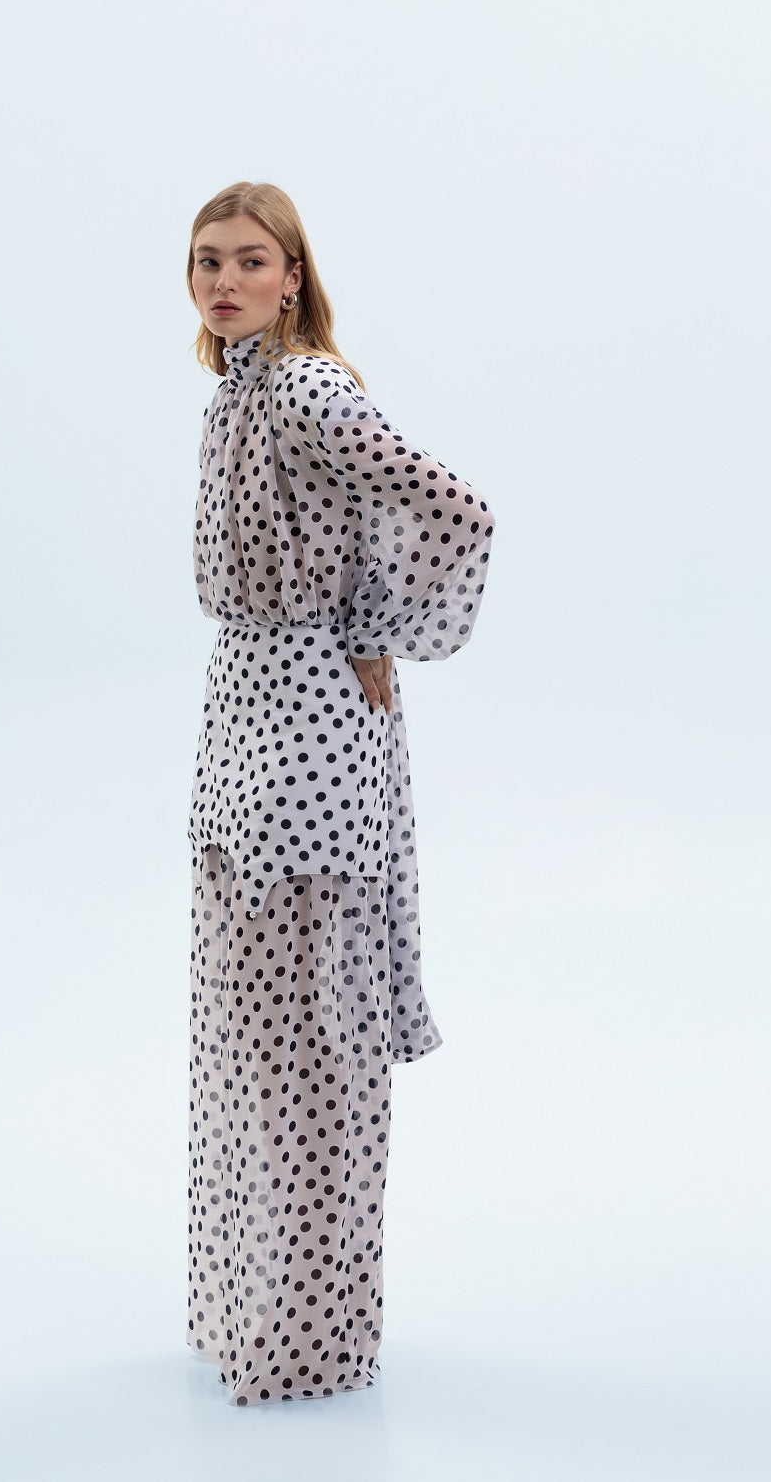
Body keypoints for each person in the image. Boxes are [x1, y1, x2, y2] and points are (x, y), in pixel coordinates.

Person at [185, 181, 496, 1407]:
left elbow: (452, 504)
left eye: (248, 260)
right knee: (247, 1034)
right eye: (206, 261)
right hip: (242, 715)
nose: (224, 281)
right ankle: (245, 1316)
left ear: (293, 276)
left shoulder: (312, 388)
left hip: (308, 740)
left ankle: (307, 1343)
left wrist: (372, 625)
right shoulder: (237, 390)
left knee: (311, 1043)